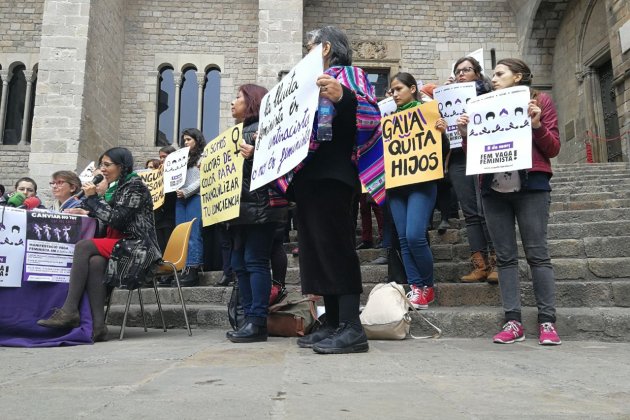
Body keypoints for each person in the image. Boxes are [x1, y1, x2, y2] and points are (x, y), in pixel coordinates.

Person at [277, 26, 383, 354]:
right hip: (308, 179)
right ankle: (334, 322)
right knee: (315, 253)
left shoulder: (350, 75)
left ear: (324, 48)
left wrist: (344, 97)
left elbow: (371, 117)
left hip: (335, 175)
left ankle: (352, 327)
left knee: (336, 248)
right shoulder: (305, 85)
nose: (304, 53)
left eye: (308, 47)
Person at [457, 58, 561, 345]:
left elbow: (553, 147)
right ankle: (513, 320)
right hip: (493, 189)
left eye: (500, 74)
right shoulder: (482, 105)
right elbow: (475, 153)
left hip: (532, 186)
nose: (494, 78)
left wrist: (537, 124)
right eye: (493, 75)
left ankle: (547, 322)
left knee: (538, 255)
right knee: (504, 258)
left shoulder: (541, 101)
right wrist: (466, 135)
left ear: (518, 77)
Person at [37, 147, 162, 342]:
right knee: (95, 262)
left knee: (83, 246)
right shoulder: (119, 186)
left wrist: (94, 198)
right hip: (120, 243)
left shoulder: (135, 186)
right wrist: (87, 211)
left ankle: (69, 309)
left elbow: (118, 220)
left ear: (122, 166)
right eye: (101, 164)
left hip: (138, 247)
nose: (102, 169)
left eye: (107, 165)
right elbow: (108, 215)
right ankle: (99, 326)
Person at [225, 84, 287, 343]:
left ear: (251, 102)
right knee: (239, 264)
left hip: (260, 207)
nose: (232, 102)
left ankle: (257, 321)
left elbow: (279, 162)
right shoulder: (235, 134)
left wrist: (255, 155)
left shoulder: (263, 131)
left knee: (254, 261)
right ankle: (249, 319)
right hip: (240, 209)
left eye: (237, 97)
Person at [387, 72, 449, 309]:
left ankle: (428, 286)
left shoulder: (429, 113)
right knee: (403, 239)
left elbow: (440, 150)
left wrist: (442, 133)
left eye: (398, 89)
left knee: (414, 235)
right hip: (397, 185)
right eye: (392, 91)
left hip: (422, 184)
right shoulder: (391, 119)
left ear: (413, 89)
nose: (394, 94)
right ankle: (415, 287)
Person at [445, 56, 497, 283]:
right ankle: (480, 264)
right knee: (470, 213)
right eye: (458, 71)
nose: (461, 74)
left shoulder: (488, 96)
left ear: (477, 72)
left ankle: (498, 262)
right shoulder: (447, 97)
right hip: (458, 158)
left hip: (483, 154)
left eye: (466, 70)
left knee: (485, 209)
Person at [175, 129, 205, 287]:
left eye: (189, 139)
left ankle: (193, 269)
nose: (185, 142)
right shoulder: (180, 158)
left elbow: (202, 179)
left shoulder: (203, 156)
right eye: (184, 140)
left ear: (197, 140)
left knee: (193, 232)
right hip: (180, 199)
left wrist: (186, 191)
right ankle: (181, 268)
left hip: (195, 197)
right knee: (180, 234)